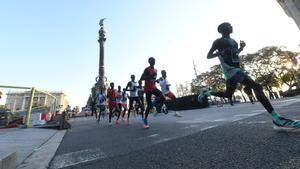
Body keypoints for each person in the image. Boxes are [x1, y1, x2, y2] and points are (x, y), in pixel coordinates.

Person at [200, 22, 300, 131]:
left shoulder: (234, 42)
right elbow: (208, 56)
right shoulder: (218, 42)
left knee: (228, 94)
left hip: (235, 70)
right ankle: (277, 120)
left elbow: (234, 54)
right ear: (222, 29)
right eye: (228, 26)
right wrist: (220, 53)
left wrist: (241, 48)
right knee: (257, 86)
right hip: (230, 70)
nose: (231, 26)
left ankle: (207, 92)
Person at [140, 57, 165, 129]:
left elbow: (153, 80)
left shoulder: (156, 70)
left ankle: (155, 105)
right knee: (148, 106)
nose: (153, 61)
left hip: (154, 87)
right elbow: (142, 78)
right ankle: (145, 120)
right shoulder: (147, 69)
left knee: (162, 97)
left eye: (154, 60)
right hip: (148, 89)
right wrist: (150, 75)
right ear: (149, 62)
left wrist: (157, 80)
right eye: (151, 61)